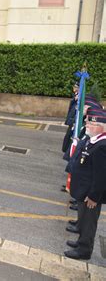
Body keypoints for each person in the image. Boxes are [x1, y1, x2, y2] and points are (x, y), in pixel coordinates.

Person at [64, 108, 106, 260]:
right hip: (84, 190)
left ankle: (84, 250)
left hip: (91, 194)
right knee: (83, 219)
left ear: (101, 127)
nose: (86, 124)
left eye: (91, 123)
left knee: (89, 223)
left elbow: (101, 177)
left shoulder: (102, 146)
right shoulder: (92, 139)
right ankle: (80, 241)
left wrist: (94, 196)